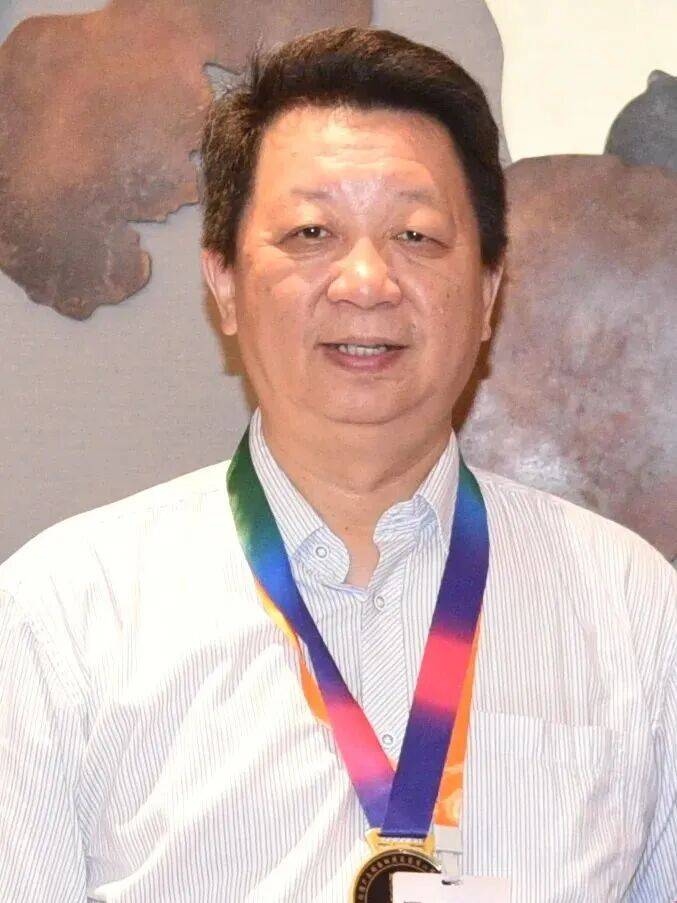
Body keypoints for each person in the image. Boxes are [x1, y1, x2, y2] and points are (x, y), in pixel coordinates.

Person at [0, 26, 674, 903]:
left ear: (487, 292)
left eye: (416, 235)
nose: (365, 280)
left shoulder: (632, 605)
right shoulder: (61, 616)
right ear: (225, 283)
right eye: (311, 231)